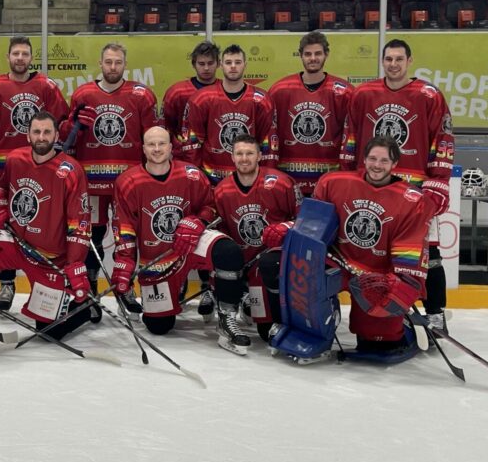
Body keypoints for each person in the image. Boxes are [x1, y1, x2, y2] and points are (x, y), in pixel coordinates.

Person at [265, 136, 428, 360]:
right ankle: (312, 333)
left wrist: (400, 282)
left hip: (376, 277)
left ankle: (403, 327)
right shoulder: (335, 182)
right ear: (364, 159)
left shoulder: (411, 200)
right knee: (302, 273)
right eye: (372, 158)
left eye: (383, 160)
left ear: (394, 164)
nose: (377, 165)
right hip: (337, 261)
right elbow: (312, 223)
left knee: (377, 344)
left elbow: (410, 248)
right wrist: (287, 228)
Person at [341, 39, 453, 332]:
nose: (393, 64)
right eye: (388, 59)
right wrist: (348, 174)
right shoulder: (364, 93)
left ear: (409, 61)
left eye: (398, 59)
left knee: (428, 253)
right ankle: (389, 309)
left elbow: (442, 139)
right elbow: (350, 135)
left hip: (414, 192)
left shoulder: (429, 95)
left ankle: (435, 312)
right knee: (377, 252)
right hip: (372, 186)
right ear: (382, 61)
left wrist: (438, 181)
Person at [111, 126, 251, 354]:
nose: (157, 149)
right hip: (159, 258)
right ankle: (177, 285)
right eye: (151, 144)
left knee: (228, 252)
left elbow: (212, 207)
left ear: (170, 147)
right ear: (143, 148)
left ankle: (227, 318)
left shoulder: (191, 174)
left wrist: (199, 221)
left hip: (190, 244)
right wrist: (124, 263)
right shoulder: (128, 182)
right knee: (159, 326)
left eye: (161, 144)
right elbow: (124, 226)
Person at [0, 35, 69, 309]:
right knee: (4, 227)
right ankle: (6, 284)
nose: (20, 58)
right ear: (8, 57)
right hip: (3, 171)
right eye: (15, 53)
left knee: (38, 226)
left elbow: (59, 127)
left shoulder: (46, 86)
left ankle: (43, 286)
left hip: (39, 171)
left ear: (31, 58)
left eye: (25, 54)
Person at [61, 41, 158, 294]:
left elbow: (152, 138)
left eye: (118, 62)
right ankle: (91, 284)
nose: (113, 67)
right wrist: (72, 125)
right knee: (91, 235)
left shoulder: (142, 95)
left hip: (129, 183)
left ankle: (125, 287)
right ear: (100, 63)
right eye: (108, 61)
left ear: (125, 64)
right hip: (91, 183)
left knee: (127, 237)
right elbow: (68, 140)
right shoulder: (83, 94)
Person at [0, 111, 95, 338]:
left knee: (48, 331)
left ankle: (84, 306)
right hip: (15, 243)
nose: (42, 137)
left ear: (57, 135)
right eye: (36, 132)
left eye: (47, 132)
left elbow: (80, 223)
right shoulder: (16, 159)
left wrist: (75, 262)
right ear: (28, 136)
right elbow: (4, 188)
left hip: (48, 258)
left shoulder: (71, 171)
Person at [213, 134, 299, 341]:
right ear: (232, 157)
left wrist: (286, 226)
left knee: (266, 333)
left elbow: (304, 219)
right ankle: (240, 299)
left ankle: (280, 317)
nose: (244, 158)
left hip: (271, 265)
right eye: (239, 154)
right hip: (244, 265)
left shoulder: (281, 183)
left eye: (250, 153)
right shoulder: (222, 190)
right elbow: (221, 233)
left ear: (260, 156)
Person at [267, 31, 353, 198]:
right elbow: (271, 135)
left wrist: (346, 173)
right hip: (288, 178)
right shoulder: (280, 90)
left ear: (326, 54)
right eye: (308, 54)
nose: (313, 58)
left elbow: (350, 137)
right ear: (300, 55)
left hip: (327, 180)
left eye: (318, 53)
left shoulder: (344, 92)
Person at [178, 43, 275, 185]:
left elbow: (266, 141)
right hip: (212, 177)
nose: (233, 66)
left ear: (245, 65)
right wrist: (197, 177)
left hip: (250, 177)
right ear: (221, 65)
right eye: (229, 62)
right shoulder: (201, 98)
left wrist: (265, 177)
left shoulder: (262, 100)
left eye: (238, 62)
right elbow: (192, 142)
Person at [161, 41, 219, 161]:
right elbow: (165, 126)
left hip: (217, 158)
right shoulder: (177, 92)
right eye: (201, 64)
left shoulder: (225, 91)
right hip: (184, 157)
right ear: (194, 64)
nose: (206, 68)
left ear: (218, 64)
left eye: (210, 63)